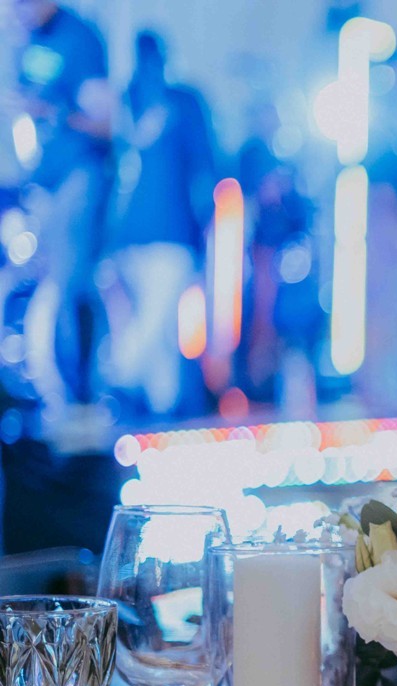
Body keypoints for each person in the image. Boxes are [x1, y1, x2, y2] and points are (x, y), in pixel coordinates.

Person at [104, 30, 215, 418]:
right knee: (155, 325)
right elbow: (205, 173)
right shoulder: (175, 102)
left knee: (161, 329)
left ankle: (158, 414)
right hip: (163, 236)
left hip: (140, 236)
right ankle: (119, 379)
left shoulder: (131, 102)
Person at [11, 0, 111, 415]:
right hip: (44, 182)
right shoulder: (31, 40)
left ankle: (82, 391)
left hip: (78, 175)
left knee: (72, 284)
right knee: (47, 284)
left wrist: (49, 110)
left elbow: (104, 119)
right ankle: (58, 390)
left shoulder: (79, 38)